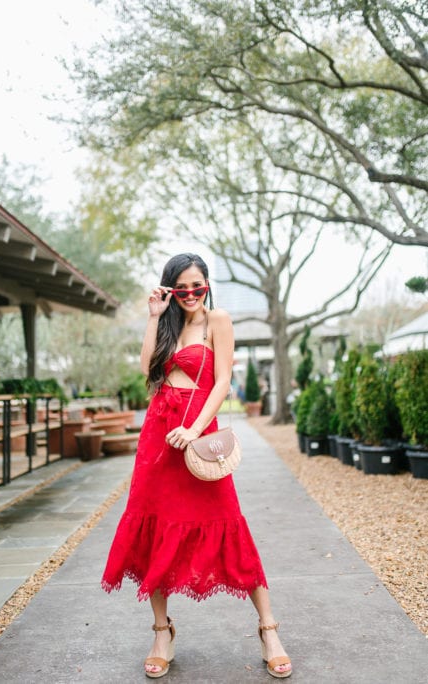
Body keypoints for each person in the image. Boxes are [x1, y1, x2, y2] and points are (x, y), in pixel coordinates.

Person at [101, 253, 292, 679]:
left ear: (207, 284)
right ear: (170, 288)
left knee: (228, 520)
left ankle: (268, 628)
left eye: (197, 286)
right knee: (154, 527)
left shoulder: (217, 320)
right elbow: (148, 370)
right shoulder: (168, 321)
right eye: (181, 287)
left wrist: (193, 429)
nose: (190, 294)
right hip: (158, 437)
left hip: (196, 434)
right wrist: (153, 316)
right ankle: (161, 631)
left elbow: (222, 381)